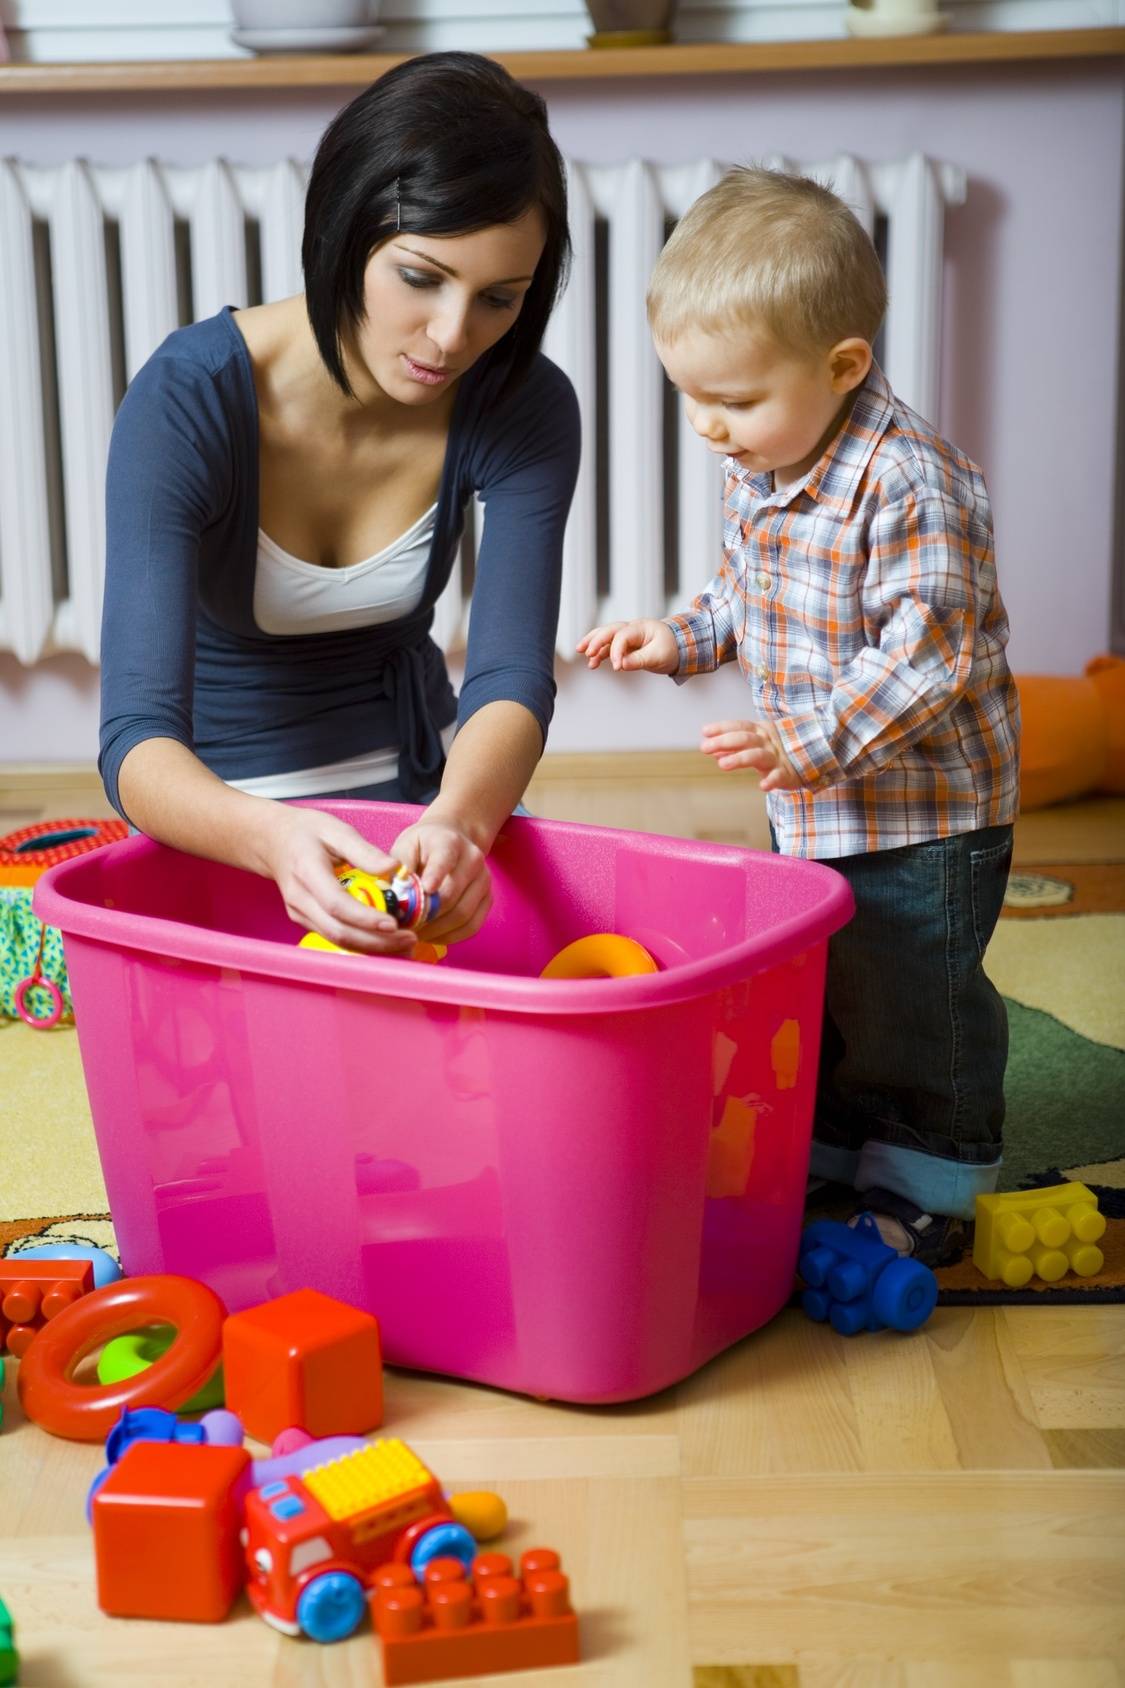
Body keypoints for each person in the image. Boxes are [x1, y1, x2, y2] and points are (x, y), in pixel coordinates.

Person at [578, 167, 1020, 1265]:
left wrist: (802, 737)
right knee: (829, 971)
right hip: (816, 799)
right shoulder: (772, 460)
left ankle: (936, 1171)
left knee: (915, 988)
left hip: (925, 813)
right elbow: (753, 597)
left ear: (843, 367)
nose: (710, 428)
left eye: (733, 401)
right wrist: (680, 639)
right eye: (692, 398)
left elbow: (929, 659)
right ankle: (835, 1143)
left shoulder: (912, 484)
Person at [99, 51, 579, 956]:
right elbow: (134, 742)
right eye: (421, 277)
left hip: (425, 796)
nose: (452, 336)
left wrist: (462, 826)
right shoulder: (187, 400)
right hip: (229, 820)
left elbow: (512, 677)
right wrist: (274, 841)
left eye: (498, 299)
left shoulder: (522, 399)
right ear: (344, 231)